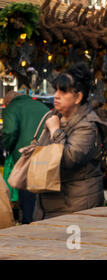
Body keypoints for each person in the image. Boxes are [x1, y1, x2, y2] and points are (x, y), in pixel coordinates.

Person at [34, 62, 107, 220]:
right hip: (51, 204)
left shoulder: (87, 126)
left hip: (75, 207)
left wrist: (55, 131)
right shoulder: (55, 117)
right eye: (56, 90)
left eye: (63, 91)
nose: (56, 95)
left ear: (78, 97)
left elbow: (69, 159)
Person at [2, 91, 49, 224]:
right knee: (41, 192)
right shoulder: (41, 106)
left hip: (26, 155)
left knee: (27, 193)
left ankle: (28, 222)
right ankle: (40, 220)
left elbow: (9, 131)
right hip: (46, 154)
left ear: (8, 102)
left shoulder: (12, 108)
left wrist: (6, 148)